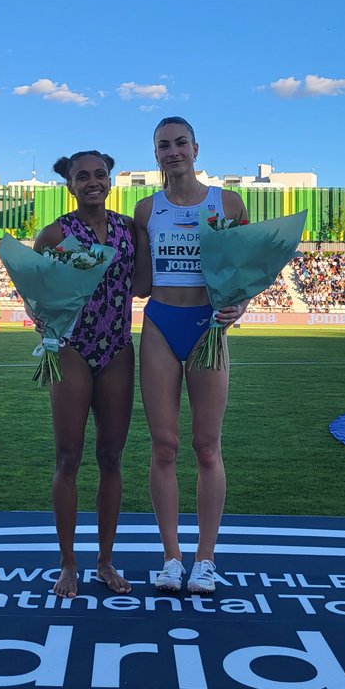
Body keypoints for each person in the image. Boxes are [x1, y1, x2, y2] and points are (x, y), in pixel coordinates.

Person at [133, 116, 249, 595]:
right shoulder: (146, 209)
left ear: (196, 148)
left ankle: (205, 559)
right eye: (164, 145)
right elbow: (140, 284)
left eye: (181, 142)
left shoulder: (228, 202)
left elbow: (245, 270)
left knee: (207, 446)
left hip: (207, 328)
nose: (173, 151)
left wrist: (241, 302)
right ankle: (171, 559)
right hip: (161, 323)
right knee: (164, 446)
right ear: (155, 154)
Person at [32, 150, 136, 598]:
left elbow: (146, 284)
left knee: (111, 458)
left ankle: (105, 562)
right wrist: (40, 315)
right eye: (82, 176)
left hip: (117, 348)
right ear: (69, 184)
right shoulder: (54, 233)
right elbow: (33, 289)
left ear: (110, 178)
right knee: (68, 459)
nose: (92, 182)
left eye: (100, 174)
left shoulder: (131, 229)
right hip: (72, 349)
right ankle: (68, 564)